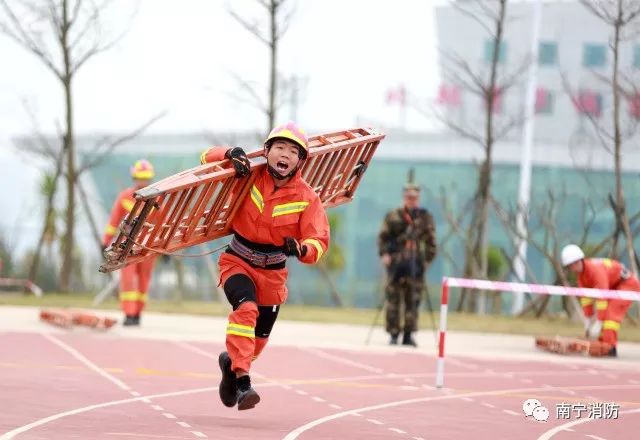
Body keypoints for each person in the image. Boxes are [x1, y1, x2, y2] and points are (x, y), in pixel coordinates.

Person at [200, 121, 330, 411]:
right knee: (245, 311)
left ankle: (231, 366)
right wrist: (228, 153)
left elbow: (319, 239)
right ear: (267, 151)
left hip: (273, 275)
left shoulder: (307, 198)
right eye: (280, 147)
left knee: (256, 344)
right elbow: (205, 157)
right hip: (238, 261)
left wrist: (303, 249)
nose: (285, 154)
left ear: (300, 161)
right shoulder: (247, 175)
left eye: (293, 151)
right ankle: (244, 383)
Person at [377, 182, 437, 347]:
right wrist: (385, 255)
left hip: (414, 264)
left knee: (413, 300)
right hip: (396, 263)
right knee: (393, 299)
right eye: (409, 197)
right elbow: (383, 237)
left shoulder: (424, 217)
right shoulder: (393, 215)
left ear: (418, 198)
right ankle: (394, 334)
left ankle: (409, 334)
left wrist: (426, 261)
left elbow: (431, 242)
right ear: (404, 197)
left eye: (414, 197)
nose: (411, 200)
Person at [102, 159, 157, 327]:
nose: (143, 181)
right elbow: (113, 221)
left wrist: (164, 247)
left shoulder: (158, 197)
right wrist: (105, 242)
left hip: (149, 246)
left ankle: (138, 313)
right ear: (134, 177)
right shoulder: (125, 197)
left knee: (143, 280)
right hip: (127, 246)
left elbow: (162, 223)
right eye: (140, 177)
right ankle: (129, 313)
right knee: (127, 280)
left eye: (146, 178)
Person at [561, 244, 635, 357]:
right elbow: (586, 300)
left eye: (575, 263)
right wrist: (588, 321)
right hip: (613, 287)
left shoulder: (595, 270)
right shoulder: (581, 276)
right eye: (570, 266)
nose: (574, 267)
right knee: (605, 314)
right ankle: (601, 345)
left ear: (581, 259)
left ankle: (610, 347)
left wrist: (598, 323)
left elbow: (602, 298)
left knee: (610, 316)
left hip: (627, 285)